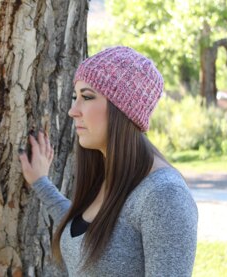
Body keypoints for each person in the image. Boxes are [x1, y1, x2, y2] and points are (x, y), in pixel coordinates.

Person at [18, 46, 198, 276]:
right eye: (76, 97)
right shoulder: (110, 173)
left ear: (123, 110)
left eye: (87, 96)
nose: (73, 110)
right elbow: (84, 230)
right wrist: (41, 183)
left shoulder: (164, 195)